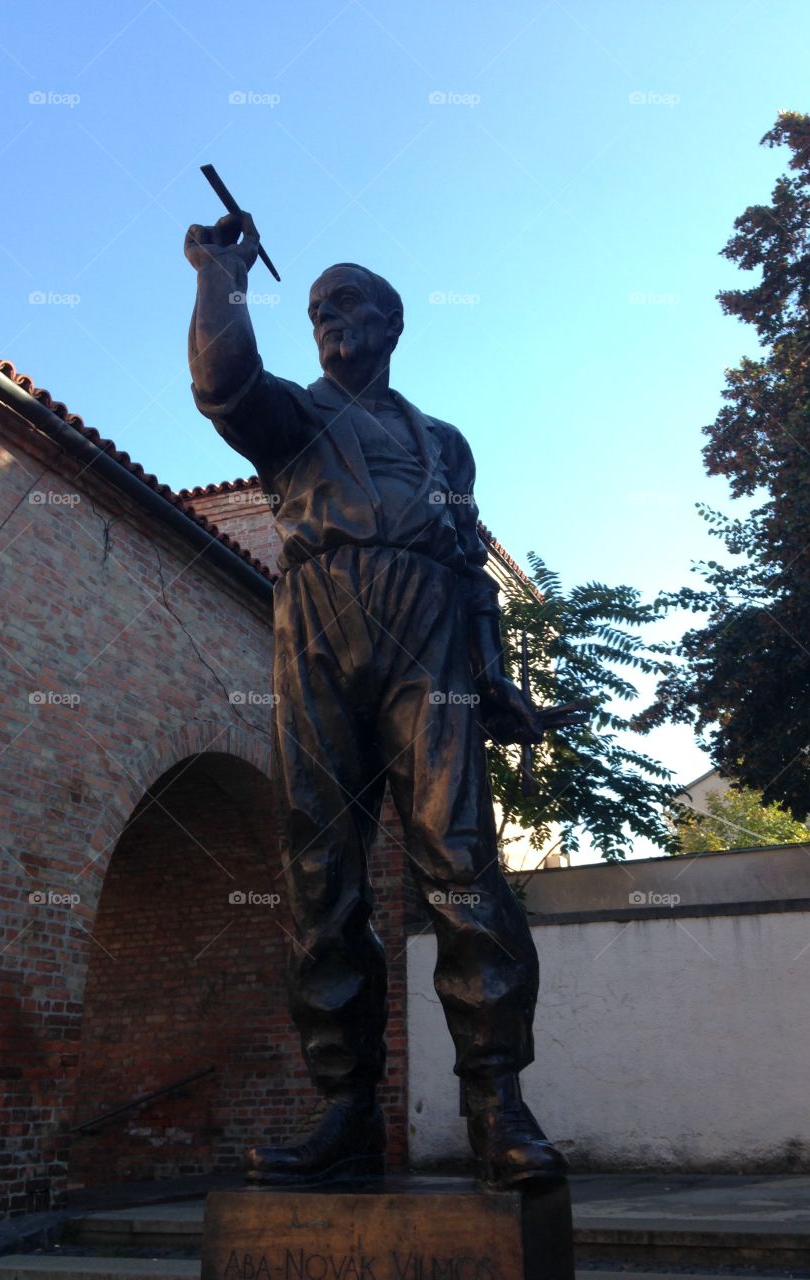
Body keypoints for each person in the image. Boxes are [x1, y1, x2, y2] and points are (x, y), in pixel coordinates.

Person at [185, 211, 570, 1190]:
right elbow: (221, 383)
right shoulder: (294, 417)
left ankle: (496, 1102)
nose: (329, 319)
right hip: (319, 618)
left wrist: (492, 677)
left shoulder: (445, 443)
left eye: (347, 303)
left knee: (461, 855)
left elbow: (473, 565)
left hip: (428, 630)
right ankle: (346, 1110)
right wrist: (222, 279)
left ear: (394, 323)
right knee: (320, 866)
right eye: (317, 310)